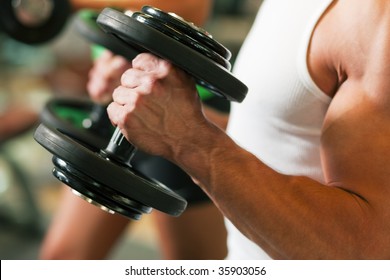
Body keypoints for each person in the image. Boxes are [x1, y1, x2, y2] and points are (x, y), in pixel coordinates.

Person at [103, 0, 390, 259]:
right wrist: (163, 109)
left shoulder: (373, 17)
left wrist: (190, 139)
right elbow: (277, 139)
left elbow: (365, 252)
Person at [39, 0, 229, 260]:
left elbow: (194, 6)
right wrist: (112, 52)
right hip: (118, 104)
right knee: (62, 260)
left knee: (192, 266)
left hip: (184, 112)